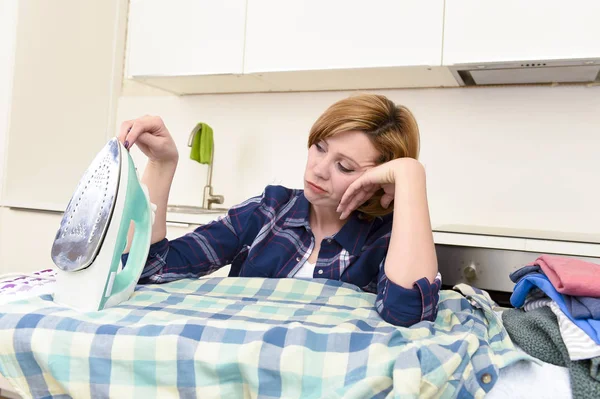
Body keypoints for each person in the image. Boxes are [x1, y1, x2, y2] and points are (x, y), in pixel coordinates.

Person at [119, 93, 440, 327]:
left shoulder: (387, 239)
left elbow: (406, 315)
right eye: (320, 148)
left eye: (344, 166)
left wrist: (411, 176)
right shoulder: (269, 210)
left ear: (378, 178)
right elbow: (148, 272)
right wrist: (162, 164)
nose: (318, 169)